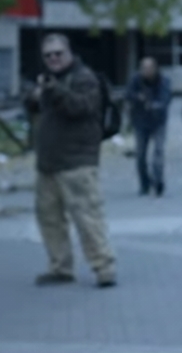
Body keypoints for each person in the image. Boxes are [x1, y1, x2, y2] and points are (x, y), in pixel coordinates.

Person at [24, 33, 116, 288]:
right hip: (48, 164)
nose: (53, 59)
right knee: (49, 218)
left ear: (69, 53)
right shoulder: (48, 81)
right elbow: (34, 108)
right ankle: (60, 267)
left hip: (77, 162)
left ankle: (104, 267)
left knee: (88, 217)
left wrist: (53, 90)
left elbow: (81, 107)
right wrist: (34, 96)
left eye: (58, 53)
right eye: (48, 55)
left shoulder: (84, 78)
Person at [125, 57, 172, 197]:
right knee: (140, 155)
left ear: (155, 68)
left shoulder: (163, 81)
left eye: (149, 68)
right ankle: (144, 183)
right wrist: (138, 98)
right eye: (144, 68)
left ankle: (158, 181)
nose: (147, 71)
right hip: (140, 122)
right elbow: (128, 95)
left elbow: (165, 98)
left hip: (158, 122)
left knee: (158, 152)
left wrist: (154, 105)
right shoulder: (135, 80)